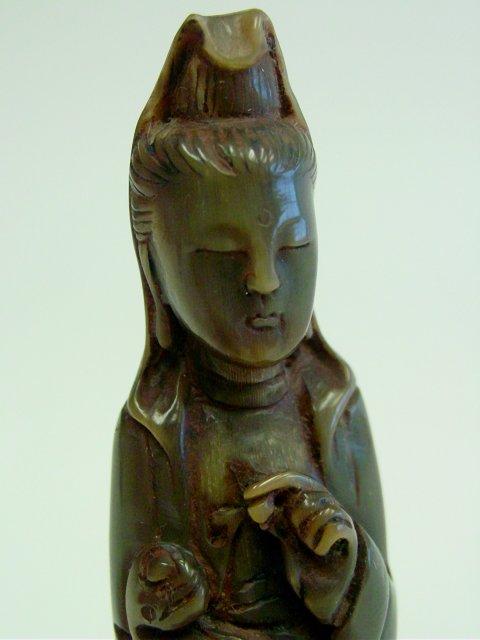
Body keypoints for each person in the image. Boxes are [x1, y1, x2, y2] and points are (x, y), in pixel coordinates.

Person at [110, 10, 396, 639]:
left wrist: (343, 571)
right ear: (154, 267)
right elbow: (126, 619)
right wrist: (152, 601)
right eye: (220, 253)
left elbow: (385, 619)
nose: (265, 280)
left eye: (293, 246)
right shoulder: (156, 425)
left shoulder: (331, 405)